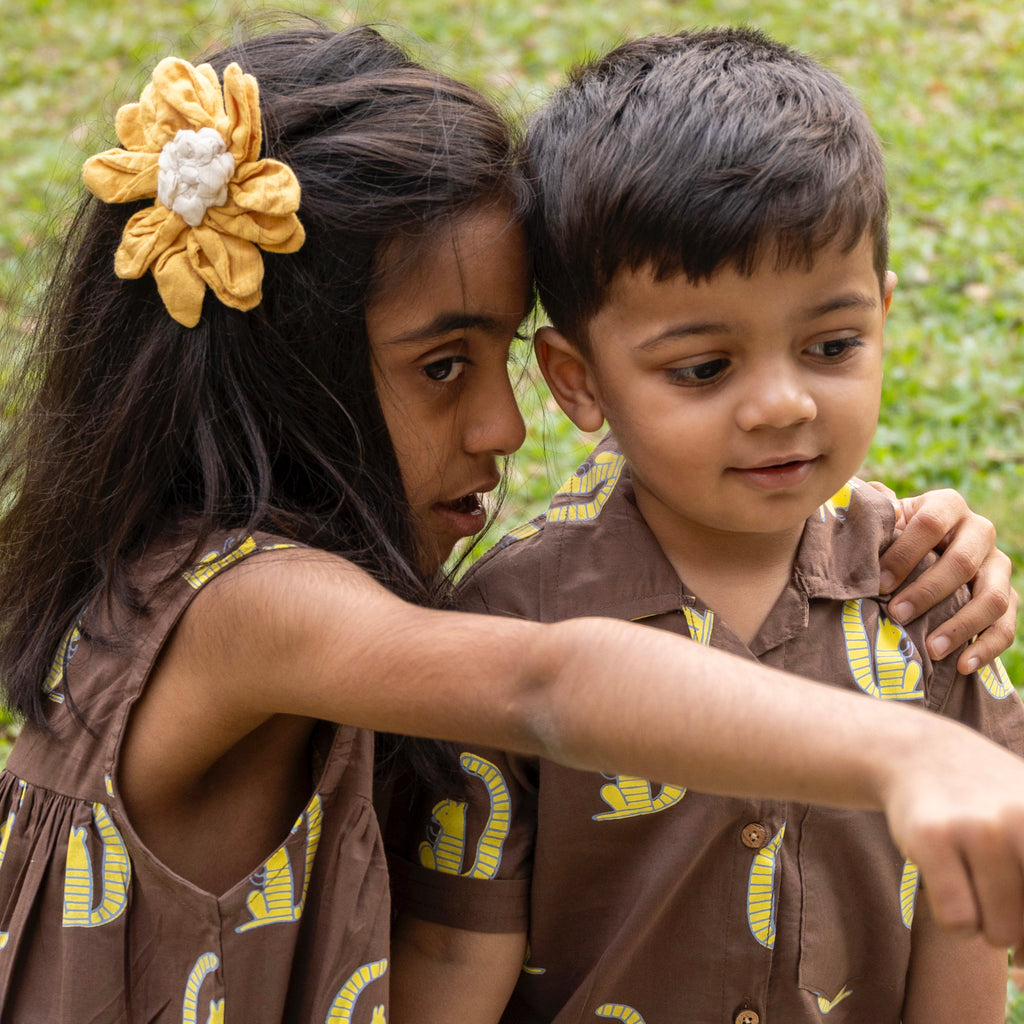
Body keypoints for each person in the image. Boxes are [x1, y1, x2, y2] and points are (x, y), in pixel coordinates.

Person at [0, 18, 1017, 1024]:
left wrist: (895, 538)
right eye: (444, 367)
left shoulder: (890, 586)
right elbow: (550, 684)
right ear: (287, 378)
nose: (505, 427)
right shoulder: (241, 606)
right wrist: (909, 752)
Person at [389, 27, 1024, 1024]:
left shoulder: (930, 592)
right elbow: (453, 943)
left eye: (832, 345)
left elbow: (967, 923)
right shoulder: (511, 623)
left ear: (883, 315)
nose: (781, 404)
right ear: (577, 380)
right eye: (703, 368)